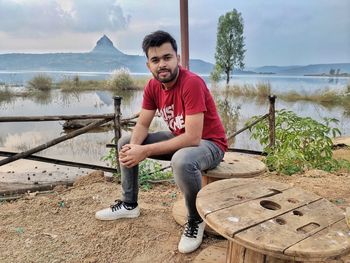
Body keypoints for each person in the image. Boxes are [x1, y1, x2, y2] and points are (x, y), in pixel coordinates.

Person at [95, 30, 227, 254]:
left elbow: (193, 138)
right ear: (148, 65)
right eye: (155, 60)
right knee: (126, 141)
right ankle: (129, 204)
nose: (162, 64)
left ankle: (196, 220)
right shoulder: (153, 86)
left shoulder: (191, 83)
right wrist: (135, 147)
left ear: (178, 58)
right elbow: (143, 124)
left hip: (210, 144)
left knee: (182, 160)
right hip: (180, 138)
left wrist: (144, 151)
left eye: (167, 57)